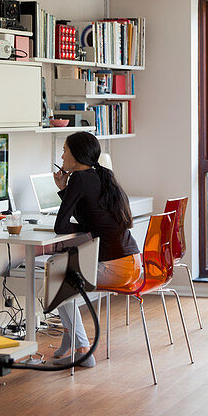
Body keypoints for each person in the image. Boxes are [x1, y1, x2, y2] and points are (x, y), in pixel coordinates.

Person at [50, 131, 141, 366]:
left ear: (77, 155)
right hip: (132, 262)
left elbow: (60, 226)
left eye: (65, 151)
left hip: (116, 267)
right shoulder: (102, 175)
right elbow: (94, 218)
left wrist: (65, 190)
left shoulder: (79, 180)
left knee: (60, 280)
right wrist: (64, 190)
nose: (62, 155)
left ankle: (82, 349)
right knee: (60, 270)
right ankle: (71, 338)